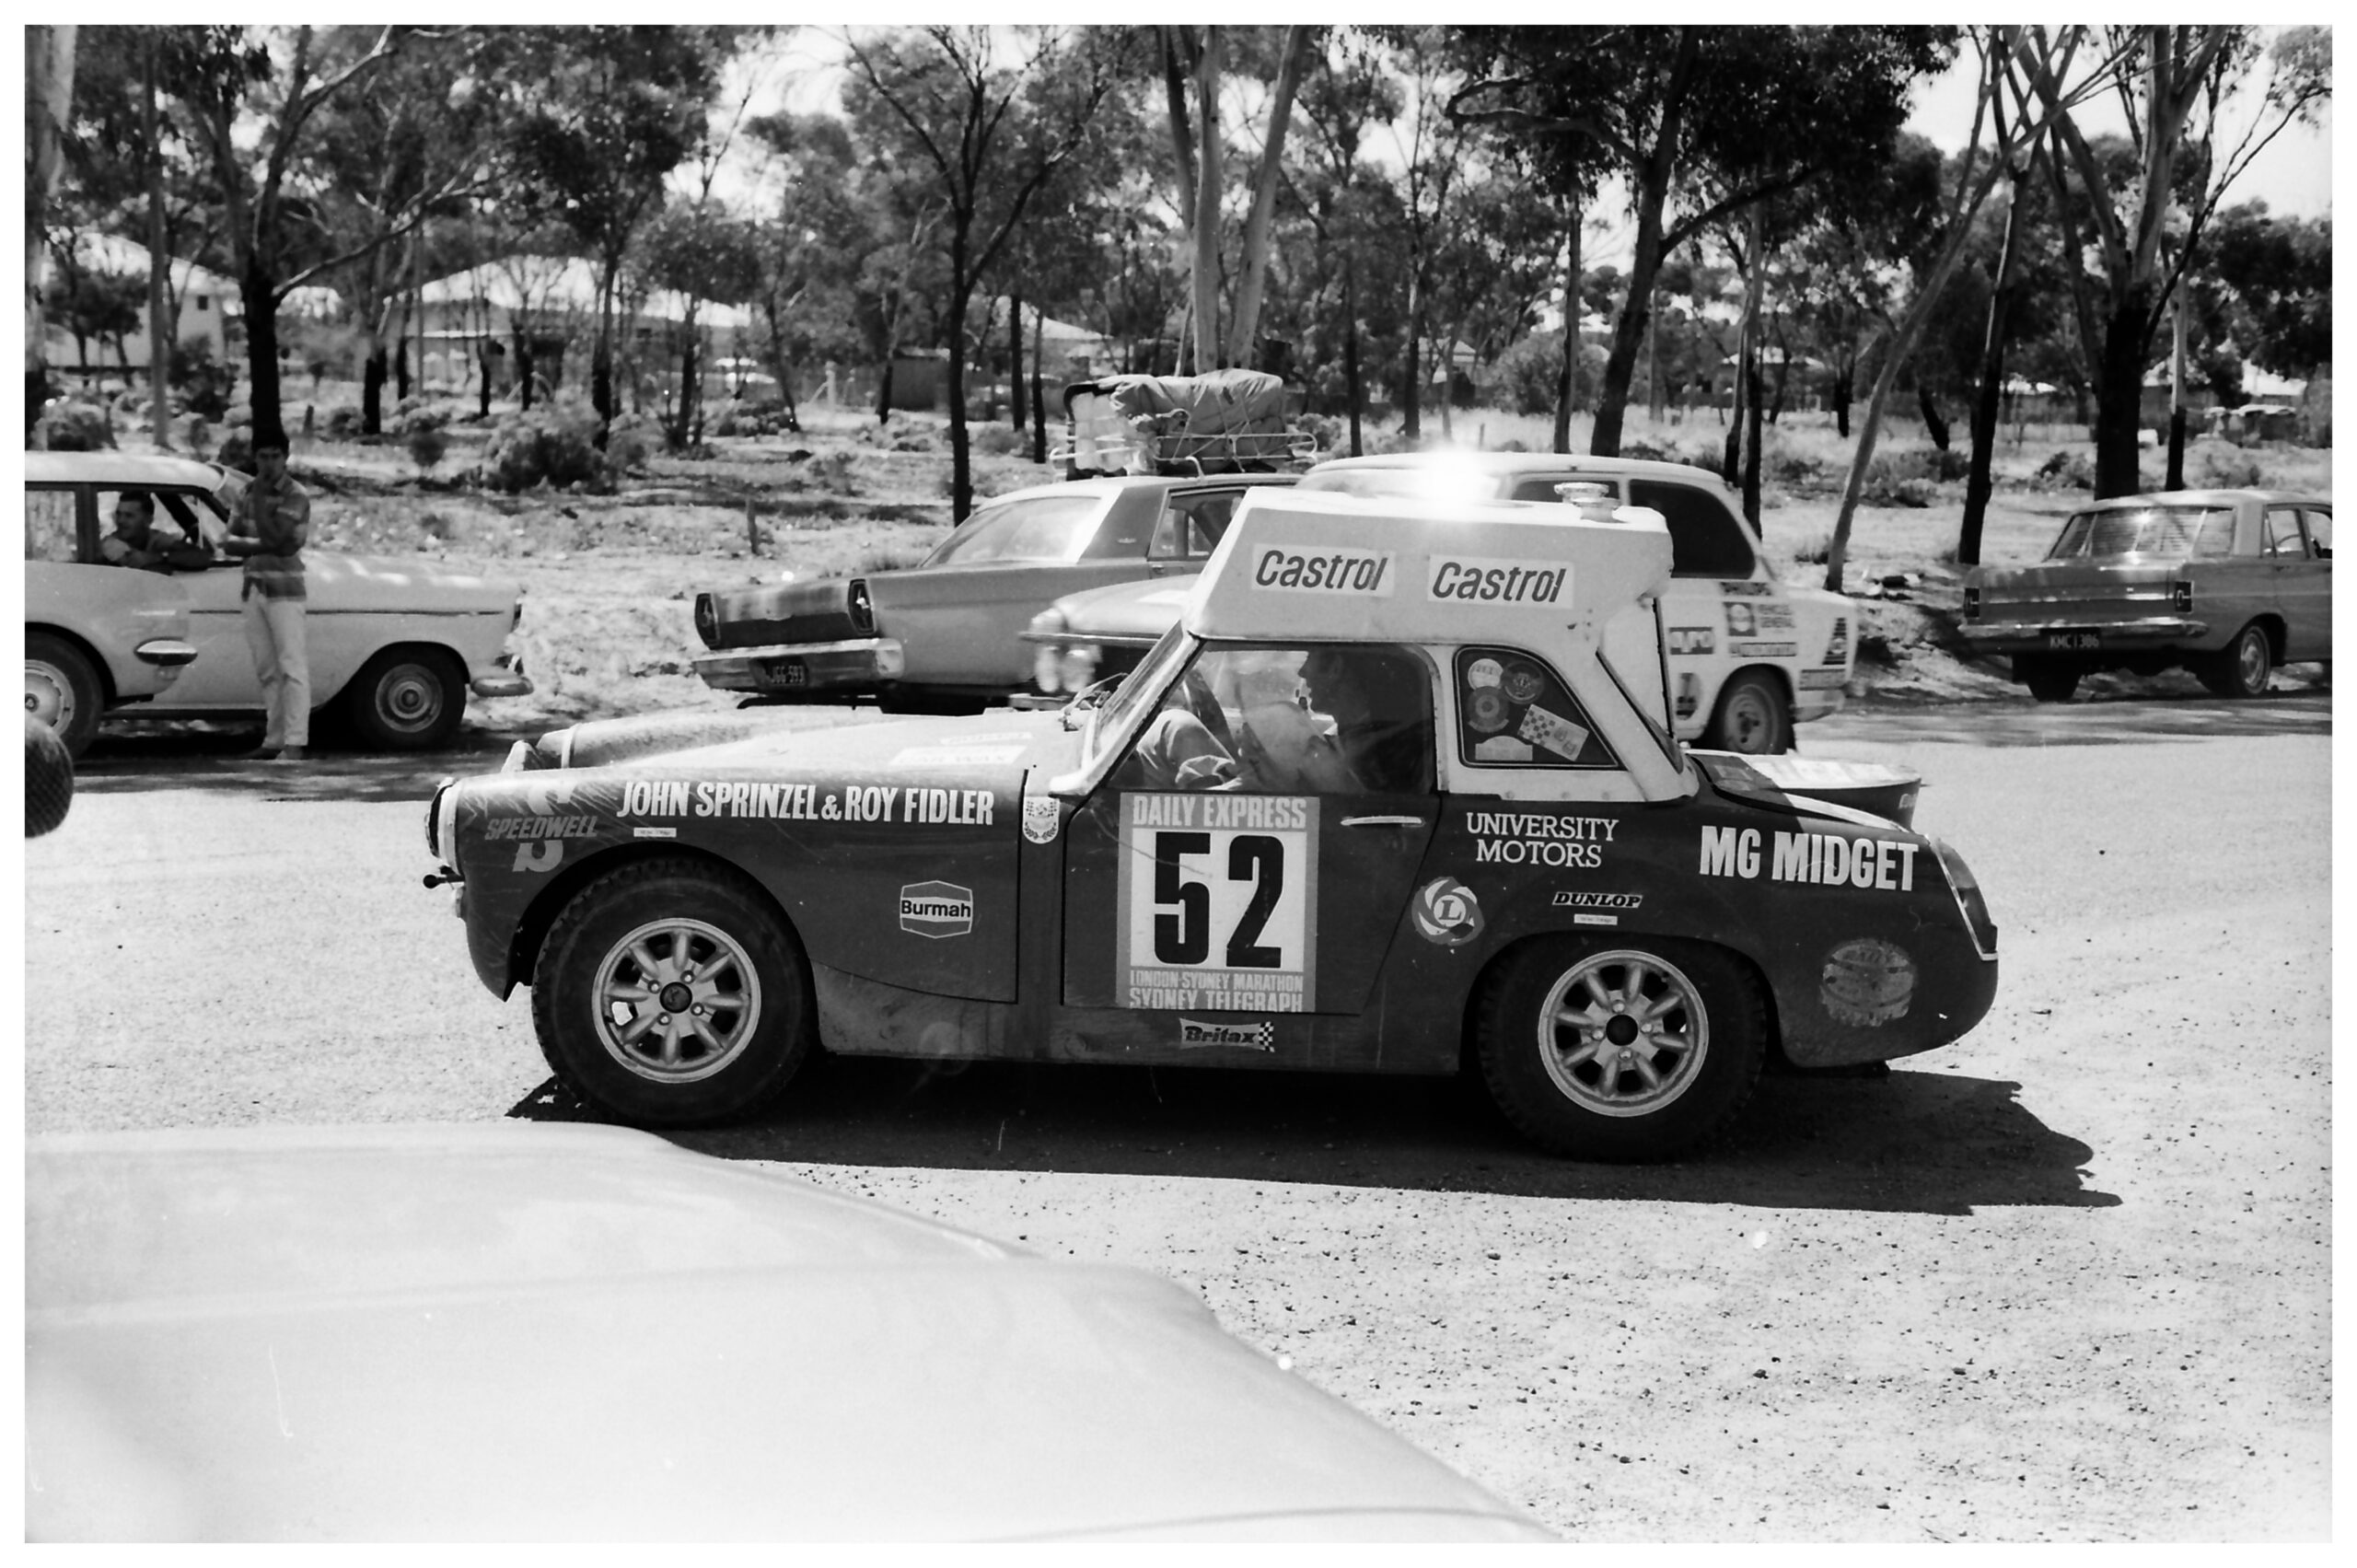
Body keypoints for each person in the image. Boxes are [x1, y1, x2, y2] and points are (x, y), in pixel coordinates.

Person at [222, 436, 312, 761]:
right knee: (267, 669)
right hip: (254, 586)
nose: (269, 463)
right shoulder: (245, 491)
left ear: (285, 457)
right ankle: (273, 739)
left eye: (275, 456)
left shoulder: (295, 494)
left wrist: (260, 512)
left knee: (292, 667)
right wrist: (265, 543)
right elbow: (228, 541)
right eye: (263, 456)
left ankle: (295, 742)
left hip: (285, 590)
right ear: (255, 458)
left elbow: (282, 539)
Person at [98, 494, 176, 571]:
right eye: (118, 514)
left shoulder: (154, 536)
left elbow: (187, 554)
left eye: (129, 515)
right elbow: (153, 573)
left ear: (148, 520)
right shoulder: (110, 544)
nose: (120, 520)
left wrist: (159, 557)